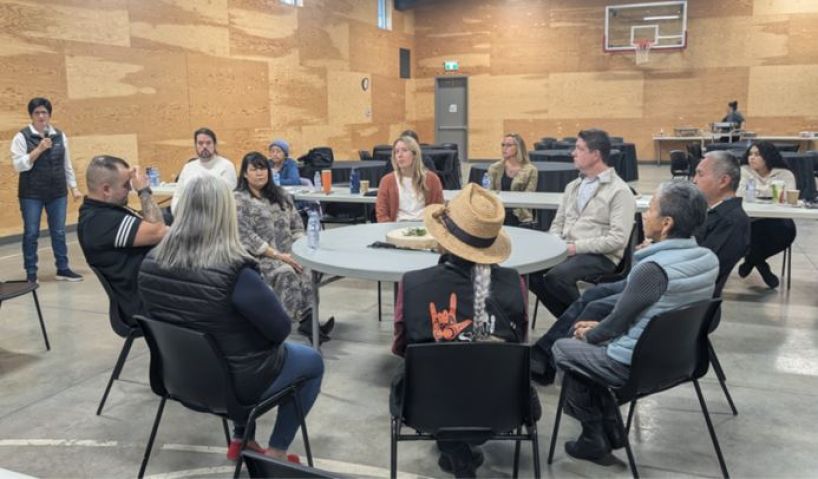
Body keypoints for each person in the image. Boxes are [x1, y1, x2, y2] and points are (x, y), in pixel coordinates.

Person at [138, 174, 324, 464]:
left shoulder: (150, 263)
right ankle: (275, 453)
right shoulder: (235, 272)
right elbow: (280, 329)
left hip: (177, 378)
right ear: (226, 214)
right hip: (233, 387)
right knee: (311, 361)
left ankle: (242, 439)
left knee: (231, 346)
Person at [530, 151, 750, 386]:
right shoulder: (710, 217)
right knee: (592, 296)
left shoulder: (731, 221)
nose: (694, 179)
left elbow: (689, 265)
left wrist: (657, 248)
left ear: (723, 181)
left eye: (699, 173)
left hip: (679, 297)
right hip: (670, 283)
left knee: (593, 304)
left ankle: (549, 358)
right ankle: (547, 352)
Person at [550, 181, 718, 465]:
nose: (644, 213)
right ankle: (606, 426)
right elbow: (650, 313)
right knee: (585, 339)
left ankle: (595, 432)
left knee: (563, 349)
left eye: (650, 208)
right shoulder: (707, 259)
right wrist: (597, 330)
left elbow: (616, 324)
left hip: (634, 365)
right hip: (680, 359)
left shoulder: (652, 270)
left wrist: (590, 336)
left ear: (666, 224)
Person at [391, 183, 535, 478]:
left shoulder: (412, 284)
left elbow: (401, 348)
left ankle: (455, 451)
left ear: (443, 240)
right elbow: (518, 345)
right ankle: (458, 452)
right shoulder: (516, 285)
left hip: (428, 409)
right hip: (501, 407)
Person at [528, 129, 635, 319]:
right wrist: (552, 243)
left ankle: (586, 320)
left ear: (595, 154)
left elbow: (617, 240)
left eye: (579, 148)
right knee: (530, 273)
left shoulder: (619, 191)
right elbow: (558, 222)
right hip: (568, 250)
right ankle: (572, 322)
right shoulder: (573, 186)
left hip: (601, 255)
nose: (573, 153)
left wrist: (574, 248)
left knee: (557, 277)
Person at [234, 152, 334, 343]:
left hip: (289, 253)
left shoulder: (281, 195)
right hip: (260, 257)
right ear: (245, 174)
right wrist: (280, 256)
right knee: (286, 272)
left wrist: (300, 252)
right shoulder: (238, 200)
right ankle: (284, 329)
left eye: (262, 168)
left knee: (308, 269)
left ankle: (309, 321)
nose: (259, 173)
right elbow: (246, 236)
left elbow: (296, 226)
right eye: (253, 169)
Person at [77, 156, 168, 322]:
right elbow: (159, 231)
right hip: (143, 304)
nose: (130, 189)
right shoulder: (100, 221)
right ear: (106, 190)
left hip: (152, 289)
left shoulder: (102, 211)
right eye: (126, 185)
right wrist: (144, 190)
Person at [10, 97, 83, 283]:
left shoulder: (60, 135)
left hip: (57, 192)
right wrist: (39, 149)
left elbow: (66, 164)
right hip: (31, 194)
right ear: (31, 115)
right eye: (37, 113)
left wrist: (73, 188)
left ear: (49, 115)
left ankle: (63, 268)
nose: (41, 116)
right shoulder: (22, 136)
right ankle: (31, 274)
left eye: (44, 112)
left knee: (59, 231)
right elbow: (19, 165)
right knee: (31, 233)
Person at [735, 142, 796, 288]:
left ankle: (751, 261)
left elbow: (788, 195)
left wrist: (757, 190)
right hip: (752, 219)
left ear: (768, 156)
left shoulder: (784, 173)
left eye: (757, 154)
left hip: (778, 219)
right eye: (750, 154)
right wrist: (770, 190)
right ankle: (763, 267)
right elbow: (740, 193)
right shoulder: (743, 170)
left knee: (788, 233)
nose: (752, 158)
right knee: (746, 232)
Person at [376, 135, 444, 222]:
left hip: (424, 227)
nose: (399, 155)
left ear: (415, 154)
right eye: (396, 152)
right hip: (396, 228)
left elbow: (438, 211)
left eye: (404, 150)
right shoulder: (387, 181)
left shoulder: (432, 179)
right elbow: (382, 214)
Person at [171, 127, 237, 213]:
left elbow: (228, 198)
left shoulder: (227, 166)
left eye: (208, 143)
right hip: (188, 217)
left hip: (217, 217)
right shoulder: (188, 167)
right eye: (200, 143)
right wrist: (178, 214)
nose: (204, 146)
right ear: (195, 145)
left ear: (215, 145)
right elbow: (178, 195)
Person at [487, 133, 538, 227]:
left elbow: (528, 197)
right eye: (503, 145)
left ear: (518, 148)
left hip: (520, 214)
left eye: (509, 145)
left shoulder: (530, 170)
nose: (504, 148)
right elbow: (489, 192)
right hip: (499, 212)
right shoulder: (495, 168)